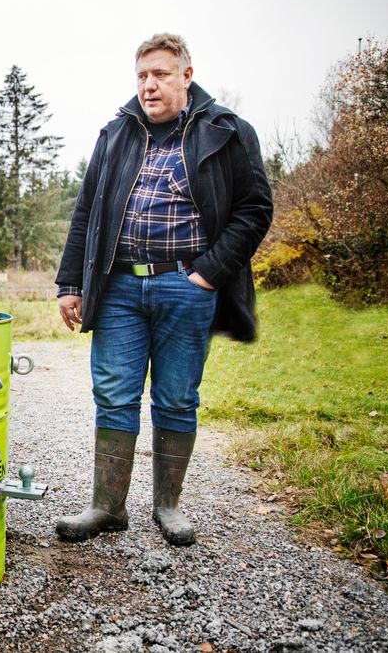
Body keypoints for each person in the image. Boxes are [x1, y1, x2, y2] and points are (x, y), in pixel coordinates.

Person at [54, 33, 273, 546]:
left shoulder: (228, 132)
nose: (149, 86)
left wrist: (209, 273)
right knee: (113, 396)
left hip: (186, 285)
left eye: (160, 75)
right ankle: (107, 507)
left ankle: (168, 507)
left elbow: (255, 209)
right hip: (120, 289)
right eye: (142, 76)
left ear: (186, 76)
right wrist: (70, 282)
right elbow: (87, 210)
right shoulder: (115, 134)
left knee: (176, 399)